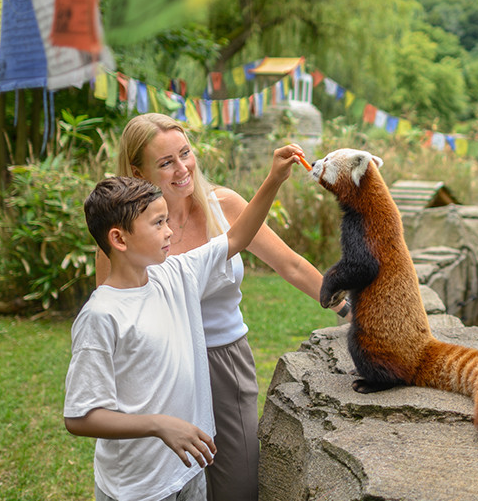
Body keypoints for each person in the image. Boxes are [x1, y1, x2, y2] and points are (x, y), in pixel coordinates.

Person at [95, 113, 349, 501]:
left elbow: (290, 264)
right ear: (137, 170)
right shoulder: (123, 236)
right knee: (173, 484)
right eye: (166, 162)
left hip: (225, 362)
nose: (182, 169)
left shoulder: (223, 204)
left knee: (239, 485)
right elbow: (114, 316)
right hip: (164, 370)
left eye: (185, 153)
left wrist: (349, 309)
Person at [64, 144, 303, 501]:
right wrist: (159, 425)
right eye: (158, 223)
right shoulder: (101, 317)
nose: (170, 233)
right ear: (119, 239)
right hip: (137, 488)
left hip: (187, 472)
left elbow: (236, 237)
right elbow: (80, 417)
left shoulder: (177, 274)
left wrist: (274, 180)